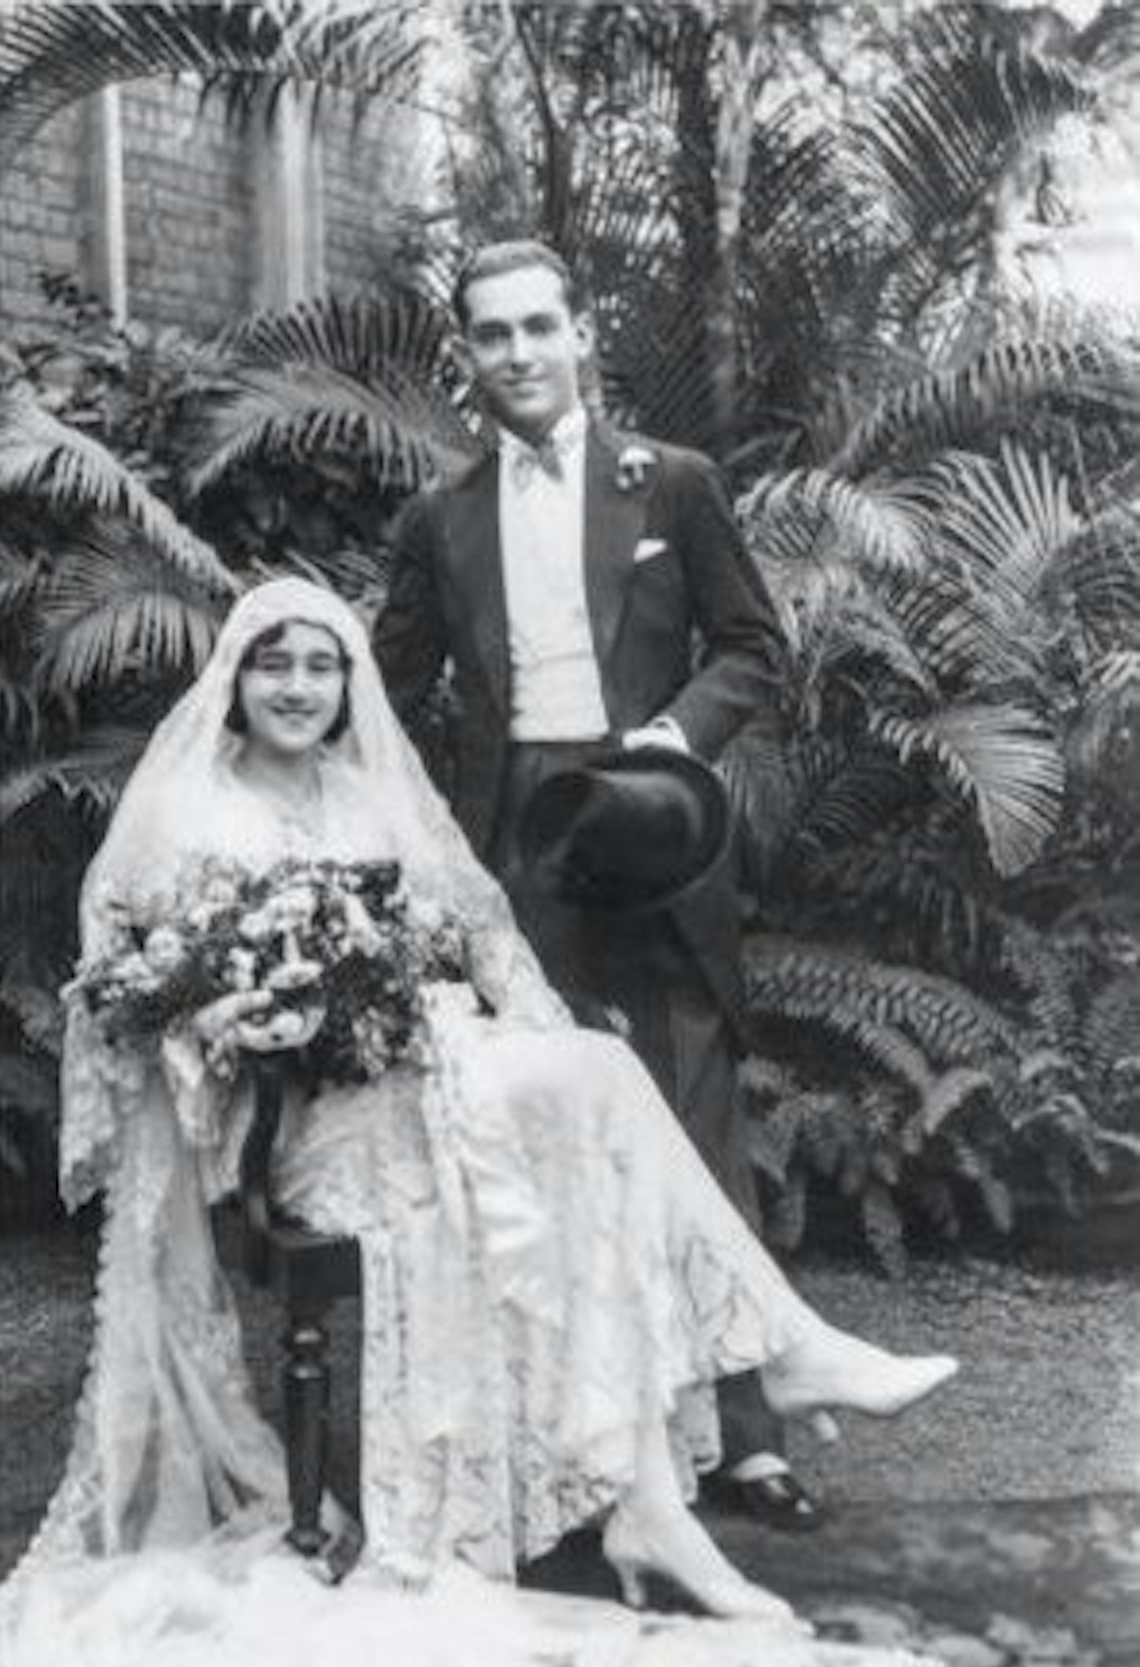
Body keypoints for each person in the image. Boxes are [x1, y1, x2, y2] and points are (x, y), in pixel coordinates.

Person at [0, 578, 1044, 1667]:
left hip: (435, 1075)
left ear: (352, 684)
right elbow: (121, 1006)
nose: (301, 688)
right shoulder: (186, 812)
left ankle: (653, 1498)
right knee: (590, 1095)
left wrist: (518, 1011)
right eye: (275, 668)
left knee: (580, 1089)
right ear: (237, 685)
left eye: (324, 667)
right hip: (299, 1126)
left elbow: (484, 928)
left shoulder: (380, 795)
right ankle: (764, 1371)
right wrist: (234, 1022)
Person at [372, 239, 821, 1532]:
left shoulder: (668, 484)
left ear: (581, 336)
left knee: (693, 1129)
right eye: (490, 335)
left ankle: (747, 1441)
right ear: (466, 356)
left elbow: (751, 648)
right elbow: (393, 682)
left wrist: (675, 742)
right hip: (520, 853)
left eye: (536, 328)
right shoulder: (439, 519)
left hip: (657, 831)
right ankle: (579, 1451)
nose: (516, 353)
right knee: (539, 1141)